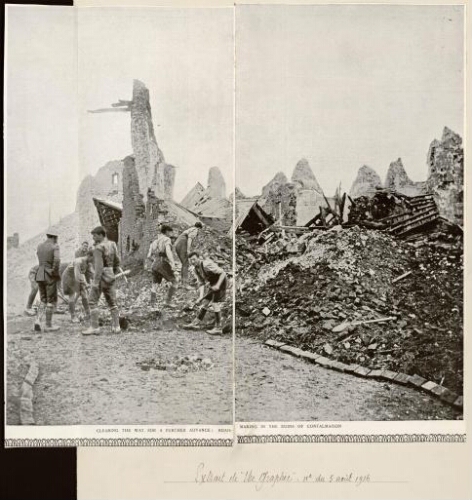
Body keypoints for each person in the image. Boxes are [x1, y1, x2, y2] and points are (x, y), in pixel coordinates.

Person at [82, 226, 121, 335]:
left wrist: (95, 283)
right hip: (110, 274)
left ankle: (95, 327)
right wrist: (113, 272)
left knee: (92, 301)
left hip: (101, 276)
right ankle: (116, 327)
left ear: (101, 235)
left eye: (94, 235)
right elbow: (117, 261)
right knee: (112, 301)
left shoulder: (98, 248)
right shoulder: (113, 244)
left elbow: (98, 267)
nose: (93, 238)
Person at [184, 252, 227, 335]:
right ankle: (195, 324)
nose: (192, 262)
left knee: (214, 303)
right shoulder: (195, 269)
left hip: (221, 281)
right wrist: (200, 297)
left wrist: (218, 285)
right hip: (212, 283)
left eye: (194, 259)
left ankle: (218, 328)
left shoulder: (206, 264)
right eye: (191, 260)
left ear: (199, 258)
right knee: (205, 302)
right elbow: (201, 283)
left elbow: (223, 273)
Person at [34, 229, 61, 332]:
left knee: (43, 299)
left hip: (40, 272)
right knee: (51, 300)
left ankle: (37, 320)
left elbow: (38, 256)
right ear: (54, 237)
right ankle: (48, 325)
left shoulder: (40, 246)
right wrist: (54, 272)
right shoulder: (55, 246)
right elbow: (57, 260)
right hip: (49, 273)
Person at [146, 224, 177, 309]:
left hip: (155, 264)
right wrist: (172, 263)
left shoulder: (154, 242)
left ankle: (152, 305)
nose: (171, 234)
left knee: (155, 285)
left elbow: (148, 256)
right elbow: (168, 252)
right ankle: (168, 302)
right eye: (171, 232)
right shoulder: (166, 239)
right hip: (163, 263)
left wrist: (155, 261)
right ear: (167, 231)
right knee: (174, 282)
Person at [62, 252, 94, 323]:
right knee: (72, 295)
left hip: (77, 276)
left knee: (84, 293)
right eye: (93, 258)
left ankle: (88, 314)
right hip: (69, 277)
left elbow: (92, 273)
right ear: (89, 256)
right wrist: (85, 283)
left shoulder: (88, 263)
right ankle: (73, 316)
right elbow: (77, 276)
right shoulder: (78, 262)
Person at [174, 222, 203, 288]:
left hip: (177, 244)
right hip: (182, 243)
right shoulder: (195, 230)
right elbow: (189, 239)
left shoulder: (190, 229)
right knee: (186, 264)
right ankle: (185, 284)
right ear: (199, 228)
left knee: (184, 264)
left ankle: (183, 282)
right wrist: (188, 250)